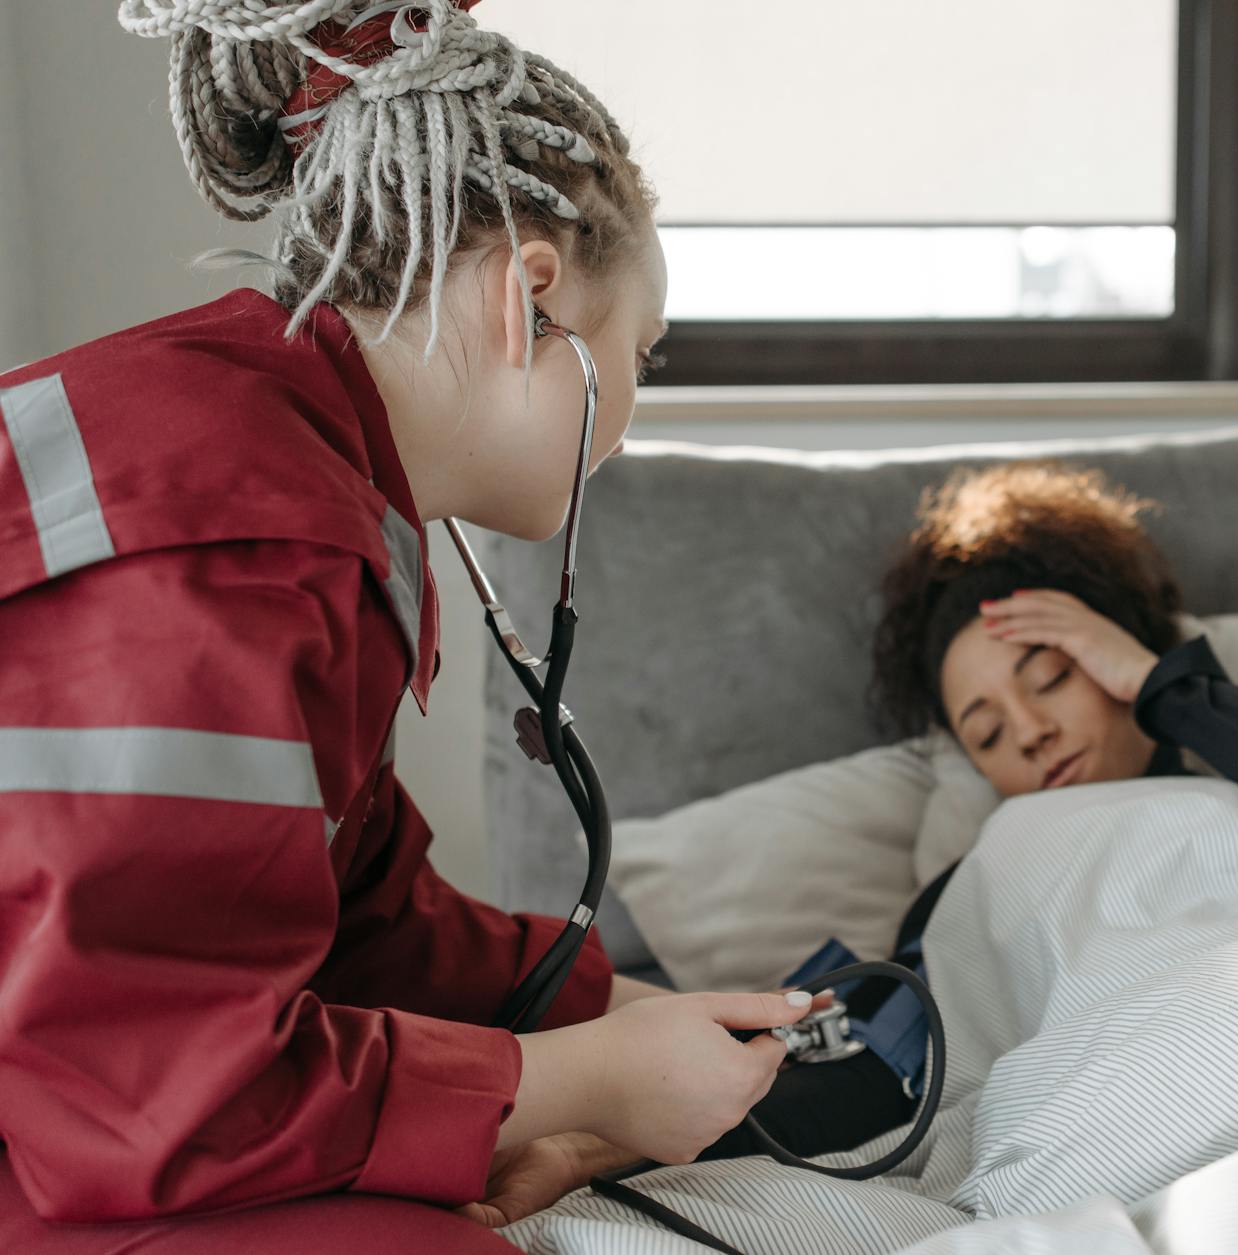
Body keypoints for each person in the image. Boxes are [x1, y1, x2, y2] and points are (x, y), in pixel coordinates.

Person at [0, 3, 815, 1250]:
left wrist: (622, 1006)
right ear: (531, 302)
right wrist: (588, 1082)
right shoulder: (236, 547)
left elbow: (361, 916)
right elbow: (161, 1094)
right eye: (641, 354)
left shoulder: (287, 465)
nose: (634, 408)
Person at [695, 461, 1238, 1162]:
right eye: (987, 733)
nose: (1030, 732)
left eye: (1050, 676)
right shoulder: (983, 883)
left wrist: (1156, 680)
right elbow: (877, 1073)